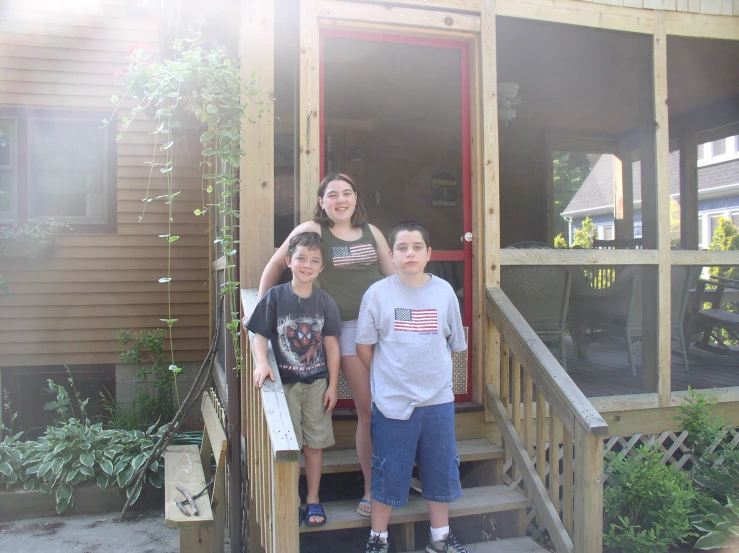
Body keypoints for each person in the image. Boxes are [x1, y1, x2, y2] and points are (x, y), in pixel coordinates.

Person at [256, 172, 396, 516]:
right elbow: (276, 265)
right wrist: (264, 312)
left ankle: (392, 480)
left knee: (392, 407)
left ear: (355, 197)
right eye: (332, 195)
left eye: (346, 193)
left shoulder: (372, 232)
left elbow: (394, 278)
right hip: (346, 328)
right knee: (368, 409)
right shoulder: (315, 231)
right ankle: (370, 490)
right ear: (322, 202)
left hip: (385, 328)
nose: (340, 200)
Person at [356, 221, 468, 553]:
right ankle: (378, 539)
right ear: (391, 255)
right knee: (387, 472)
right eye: (402, 248)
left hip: (438, 402)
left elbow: (452, 344)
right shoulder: (377, 293)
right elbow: (365, 348)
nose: (410, 253)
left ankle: (441, 539)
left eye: (417, 247)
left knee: (440, 469)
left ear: (429, 253)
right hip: (392, 404)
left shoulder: (444, 291)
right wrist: (392, 376)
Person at [246, 232, 341, 527]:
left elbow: (332, 345)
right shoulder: (276, 297)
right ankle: (292, 500)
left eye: (314, 260)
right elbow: (259, 335)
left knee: (314, 445)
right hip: (285, 383)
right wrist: (261, 362)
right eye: (301, 258)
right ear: (289, 261)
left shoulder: (325, 302)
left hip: (317, 385)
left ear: (321, 268)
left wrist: (334, 385)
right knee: (291, 446)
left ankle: (313, 499)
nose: (307, 265)